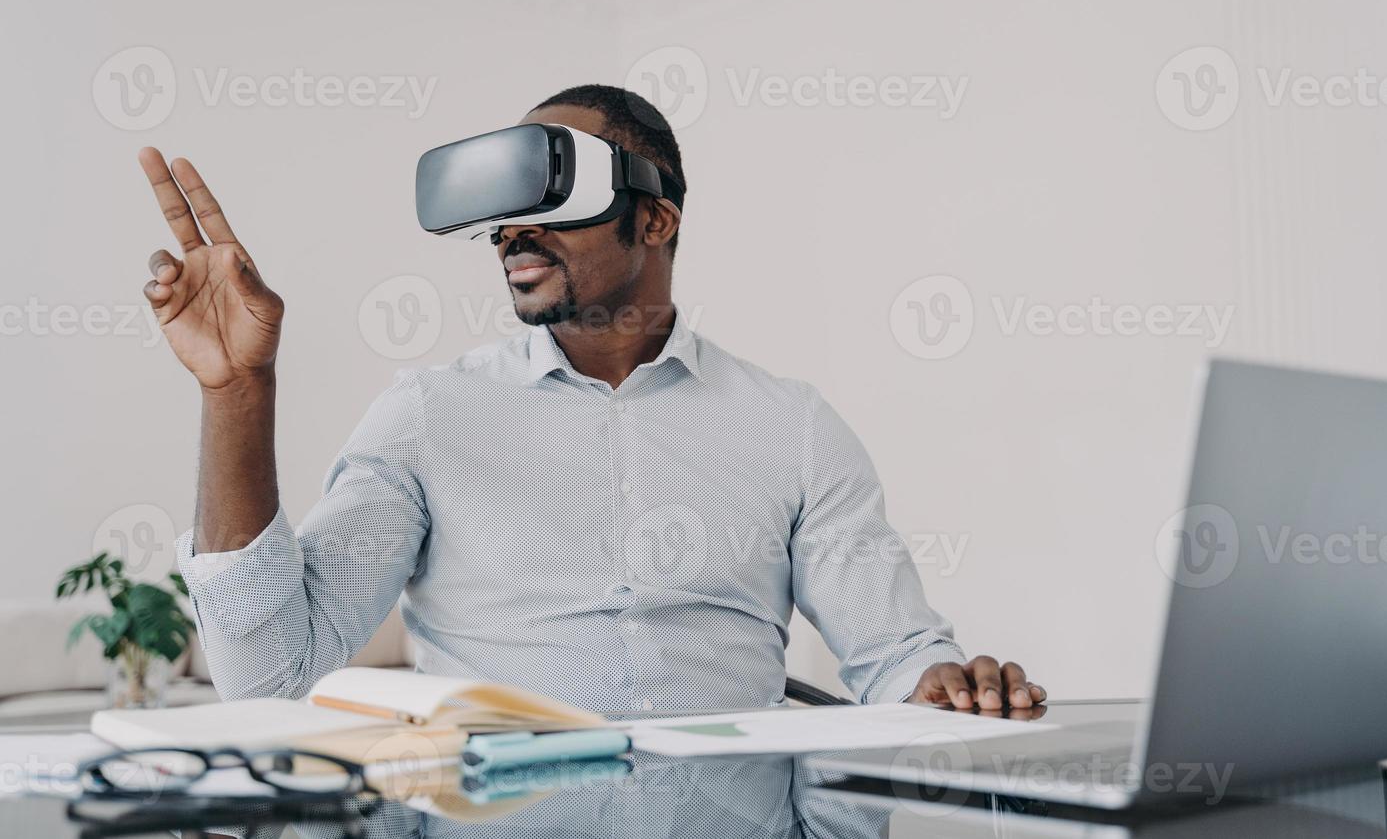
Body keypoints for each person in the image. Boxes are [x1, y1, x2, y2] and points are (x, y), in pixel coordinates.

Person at [139, 85, 1045, 712]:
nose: (508, 232)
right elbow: (267, 677)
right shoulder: (427, 419)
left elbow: (893, 656)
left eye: (548, 188)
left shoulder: (793, 426)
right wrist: (237, 392)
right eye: (497, 208)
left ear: (654, 217)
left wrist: (946, 682)